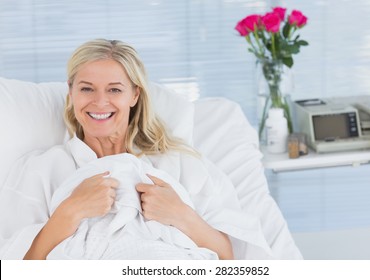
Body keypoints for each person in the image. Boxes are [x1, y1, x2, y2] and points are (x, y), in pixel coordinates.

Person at [0, 39, 268, 260]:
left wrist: (180, 214)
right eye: (86, 89)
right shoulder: (41, 170)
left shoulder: (179, 164)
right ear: (71, 93)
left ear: (135, 95)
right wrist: (70, 211)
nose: (100, 102)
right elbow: (19, 267)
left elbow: (228, 258)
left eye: (115, 89)